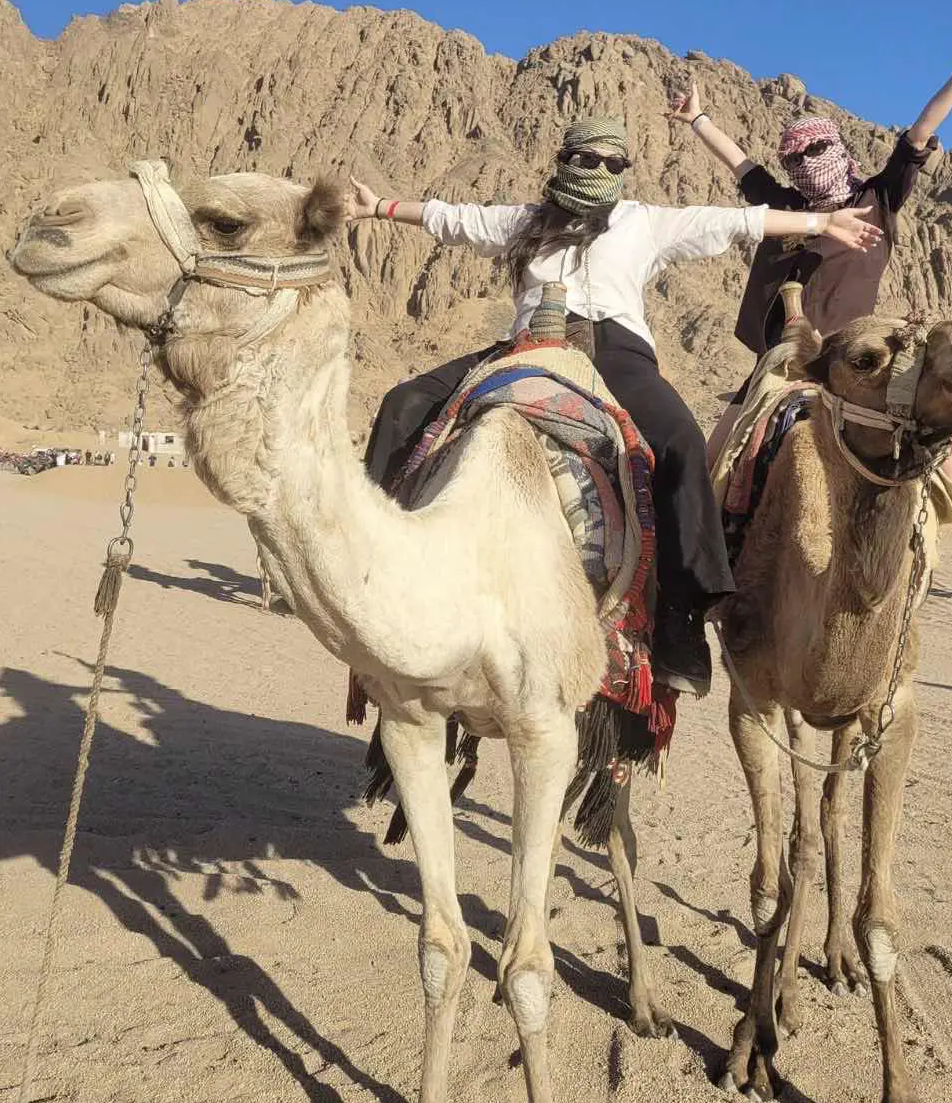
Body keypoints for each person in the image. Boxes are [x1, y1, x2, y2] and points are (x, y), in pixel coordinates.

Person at [347, 114, 883, 695]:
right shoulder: (526, 222)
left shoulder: (641, 221)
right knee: (403, 402)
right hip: (528, 343)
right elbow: (453, 218)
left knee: (680, 444)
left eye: (614, 163)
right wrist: (380, 208)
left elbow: (737, 221)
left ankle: (681, 619)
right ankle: (367, 557)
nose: (601, 170)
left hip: (616, 350)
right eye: (589, 159)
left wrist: (822, 221)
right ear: (566, 161)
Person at [669, 21, 952, 615]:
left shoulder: (877, 198)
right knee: (722, 451)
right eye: (793, 156)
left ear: (837, 148)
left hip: (859, 359)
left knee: (947, 443)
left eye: (814, 150)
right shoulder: (789, 207)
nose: (804, 162)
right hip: (786, 359)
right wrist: (697, 118)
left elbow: (918, 135)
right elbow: (741, 164)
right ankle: (700, 581)